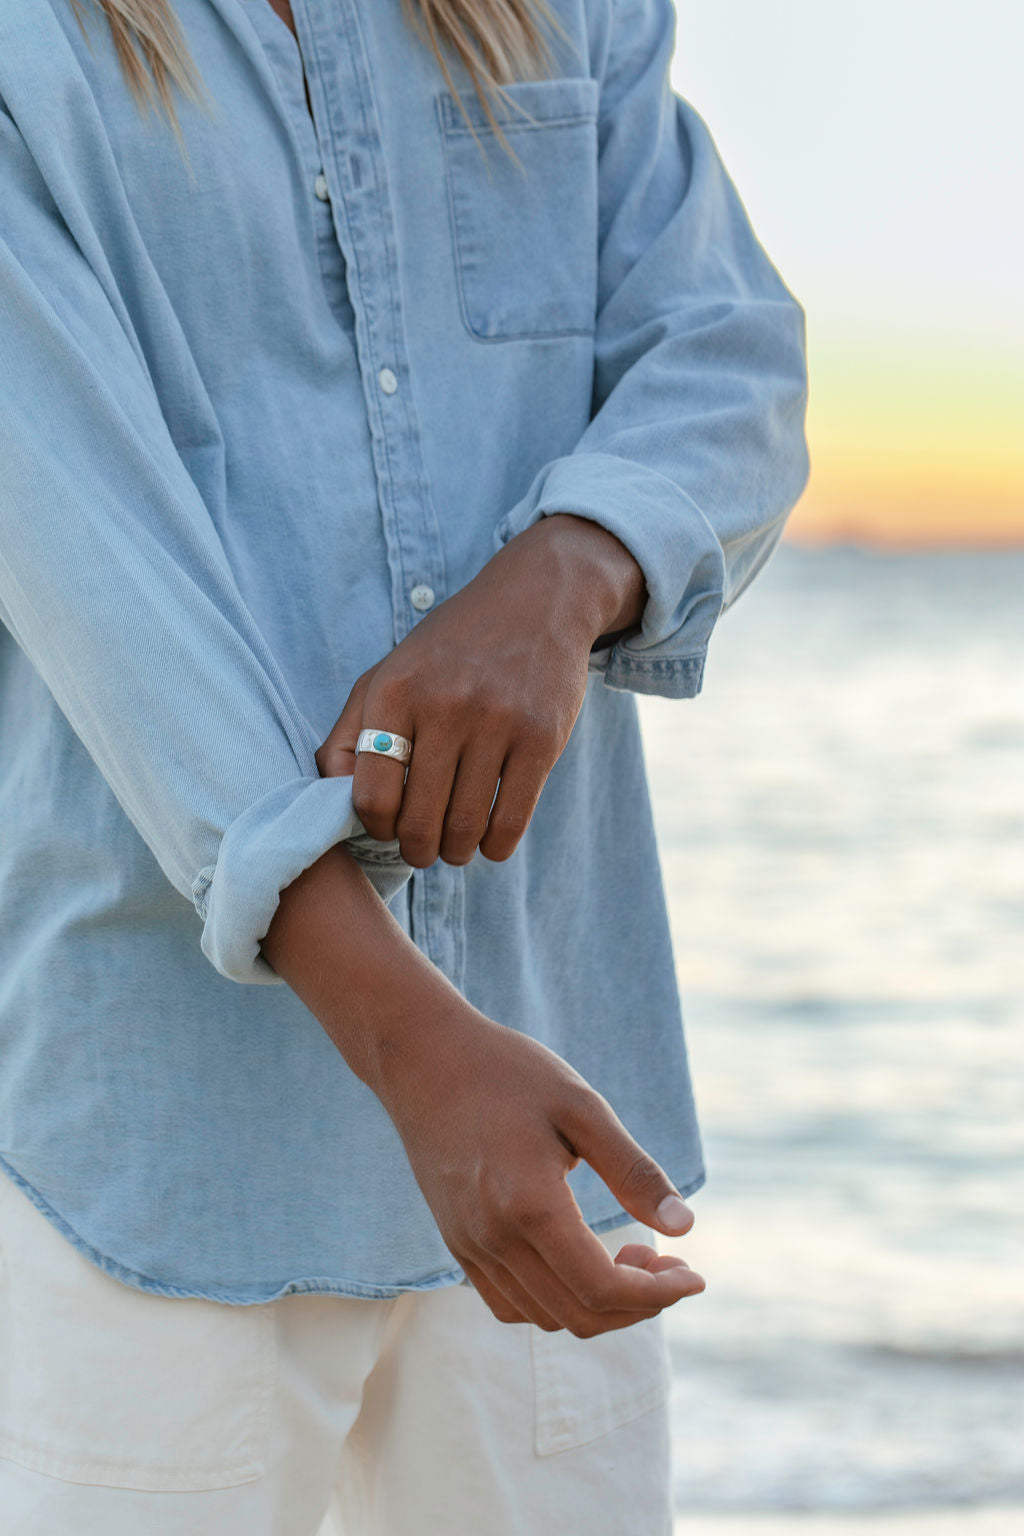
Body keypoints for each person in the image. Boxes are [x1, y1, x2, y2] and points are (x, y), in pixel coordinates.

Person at [0, 0, 808, 1530]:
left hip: (543, 1091)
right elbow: (97, 577)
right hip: (156, 1153)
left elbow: (728, 348)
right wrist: (410, 1047)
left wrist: (564, 576)